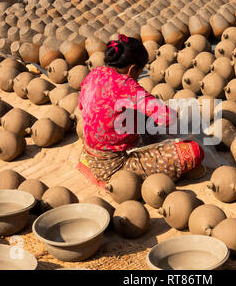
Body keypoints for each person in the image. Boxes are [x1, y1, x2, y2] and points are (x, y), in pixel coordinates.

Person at [77, 34, 204, 186]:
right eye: (139, 72)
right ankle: (118, 175)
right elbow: (168, 117)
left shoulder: (94, 74)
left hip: (90, 153)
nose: (137, 77)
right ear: (132, 69)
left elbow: (82, 106)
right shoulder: (125, 85)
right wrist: (178, 113)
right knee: (193, 151)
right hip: (114, 166)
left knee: (137, 115)